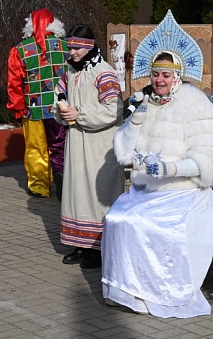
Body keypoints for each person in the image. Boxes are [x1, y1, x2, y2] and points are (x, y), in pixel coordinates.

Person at [101, 12, 213, 318]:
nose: (160, 80)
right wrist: (135, 120)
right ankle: (128, 292)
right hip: (146, 191)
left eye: (166, 76)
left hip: (184, 192)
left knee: (146, 226)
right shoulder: (146, 103)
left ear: (178, 77)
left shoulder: (196, 103)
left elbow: (206, 159)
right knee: (117, 218)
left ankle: (155, 294)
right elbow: (124, 153)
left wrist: (171, 169)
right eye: (156, 74)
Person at [54, 24, 125, 269]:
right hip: (76, 141)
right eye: (70, 47)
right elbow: (60, 97)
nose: (71, 52)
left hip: (98, 145)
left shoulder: (103, 72)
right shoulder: (70, 72)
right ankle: (80, 243)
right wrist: (61, 111)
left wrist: (80, 114)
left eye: (75, 48)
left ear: (88, 47)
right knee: (76, 194)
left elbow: (114, 110)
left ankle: (98, 246)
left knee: (97, 195)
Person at [7, 8, 67, 198]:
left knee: (35, 147)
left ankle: (40, 185)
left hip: (33, 108)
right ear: (53, 23)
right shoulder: (66, 46)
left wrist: (17, 107)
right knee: (60, 146)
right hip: (61, 107)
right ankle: (61, 174)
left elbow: (14, 83)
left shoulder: (20, 50)